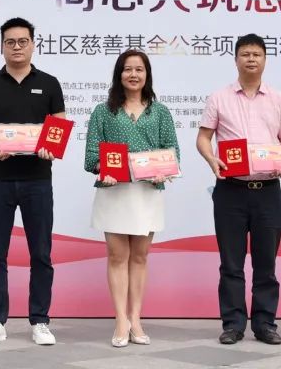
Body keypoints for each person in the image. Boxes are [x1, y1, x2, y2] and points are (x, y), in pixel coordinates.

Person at [195, 33, 281, 346]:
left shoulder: (279, 98)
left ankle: (265, 324)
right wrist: (211, 159)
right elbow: (203, 138)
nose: (251, 59)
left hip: (268, 190)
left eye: (256, 54)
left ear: (265, 59)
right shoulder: (219, 97)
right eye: (245, 54)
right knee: (231, 263)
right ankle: (233, 324)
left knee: (266, 263)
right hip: (231, 190)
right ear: (236, 59)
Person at [0, 17, 65, 346]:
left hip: (38, 179)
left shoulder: (49, 83)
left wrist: (51, 147)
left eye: (23, 41)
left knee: (41, 253)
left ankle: (40, 320)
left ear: (33, 44)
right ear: (2, 46)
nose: (17, 47)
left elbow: (59, 128)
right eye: (10, 42)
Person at [84, 50, 179, 347]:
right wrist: (103, 169)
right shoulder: (103, 111)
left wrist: (164, 169)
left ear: (147, 74)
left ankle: (135, 318)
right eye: (128, 69)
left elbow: (172, 151)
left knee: (139, 257)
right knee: (117, 257)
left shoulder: (160, 112)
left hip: (147, 193)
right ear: (119, 74)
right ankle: (120, 320)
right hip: (114, 192)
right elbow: (92, 156)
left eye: (139, 69)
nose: (133, 75)